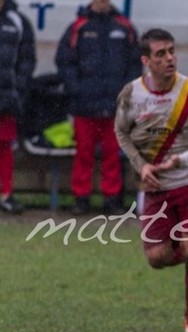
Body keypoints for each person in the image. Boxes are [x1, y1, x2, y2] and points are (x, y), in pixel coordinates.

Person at [114, 28, 188, 332]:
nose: (169, 58)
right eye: (161, 54)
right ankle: (187, 241)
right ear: (146, 60)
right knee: (157, 258)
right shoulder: (132, 94)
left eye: (172, 51)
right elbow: (121, 132)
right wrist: (141, 166)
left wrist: (180, 160)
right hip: (155, 185)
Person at [55, 0, 142, 215]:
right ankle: (81, 197)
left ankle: (112, 198)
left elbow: (135, 63)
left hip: (115, 106)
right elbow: (65, 61)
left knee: (112, 153)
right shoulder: (78, 26)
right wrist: (77, 88)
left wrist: (126, 92)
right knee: (83, 153)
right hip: (84, 104)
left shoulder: (124, 26)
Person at [0, 0, 35, 214]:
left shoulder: (18, 21)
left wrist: (17, 89)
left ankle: (5, 194)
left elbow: (27, 60)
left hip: (6, 98)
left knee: (5, 147)